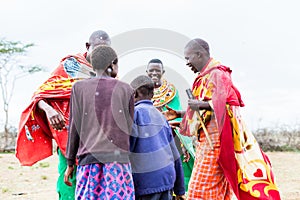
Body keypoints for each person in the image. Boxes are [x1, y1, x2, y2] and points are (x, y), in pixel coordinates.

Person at [164, 38, 281, 199]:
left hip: (216, 143)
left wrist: (201, 105)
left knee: (200, 190)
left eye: (188, 58)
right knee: (212, 189)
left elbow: (225, 103)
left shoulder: (218, 74)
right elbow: (204, 111)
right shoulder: (204, 77)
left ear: (199, 54)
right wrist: (180, 114)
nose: (187, 63)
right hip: (206, 143)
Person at [16, 30, 111, 199]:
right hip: (69, 139)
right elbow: (40, 95)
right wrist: (50, 110)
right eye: (98, 49)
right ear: (88, 47)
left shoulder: (108, 71)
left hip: (98, 144)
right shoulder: (70, 67)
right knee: (69, 187)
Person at [64, 45, 135, 199]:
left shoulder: (79, 88)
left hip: (88, 161)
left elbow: (74, 127)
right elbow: (129, 127)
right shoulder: (126, 89)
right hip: (118, 163)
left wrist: (70, 162)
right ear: (112, 64)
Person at [129, 75, 185, 200]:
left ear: (135, 94)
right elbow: (175, 154)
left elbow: (128, 150)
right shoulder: (161, 117)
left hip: (145, 184)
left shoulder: (134, 114)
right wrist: (180, 190)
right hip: (166, 181)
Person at [146, 58, 195, 192]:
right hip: (150, 135)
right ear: (146, 72)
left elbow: (176, 110)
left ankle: (180, 192)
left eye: (157, 70)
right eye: (151, 70)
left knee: (179, 164)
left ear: (163, 72)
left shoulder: (171, 90)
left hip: (172, 134)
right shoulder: (143, 90)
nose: (154, 73)